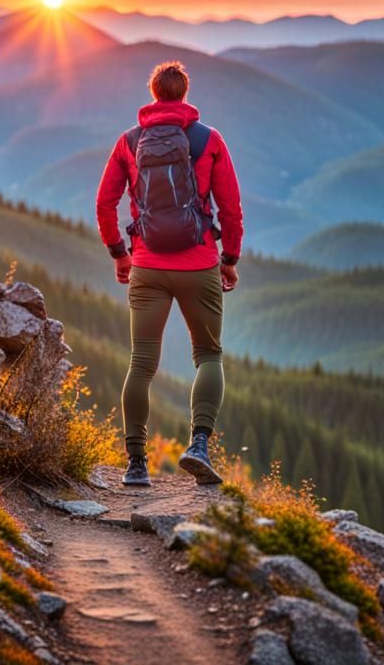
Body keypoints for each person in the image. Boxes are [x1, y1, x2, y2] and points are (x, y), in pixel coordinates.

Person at [95, 60, 243, 487]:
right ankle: (198, 444)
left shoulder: (129, 142)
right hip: (199, 265)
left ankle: (136, 464)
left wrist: (120, 254)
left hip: (146, 265)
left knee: (141, 363)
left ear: (154, 93)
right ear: (185, 94)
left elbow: (105, 204)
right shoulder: (209, 140)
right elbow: (230, 208)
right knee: (209, 356)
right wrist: (229, 258)